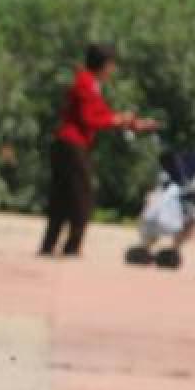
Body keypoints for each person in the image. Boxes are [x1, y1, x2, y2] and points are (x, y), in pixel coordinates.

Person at [39, 43, 159, 257]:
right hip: (72, 143)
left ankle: (50, 245)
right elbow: (89, 118)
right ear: (104, 65)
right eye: (111, 66)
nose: (112, 71)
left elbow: (103, 113)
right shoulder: (85, 83)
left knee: (63, 196)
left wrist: (133, 123)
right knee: (81, 197)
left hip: (70, 144)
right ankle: (71, 246)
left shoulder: (91, 84)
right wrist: (118, 119)